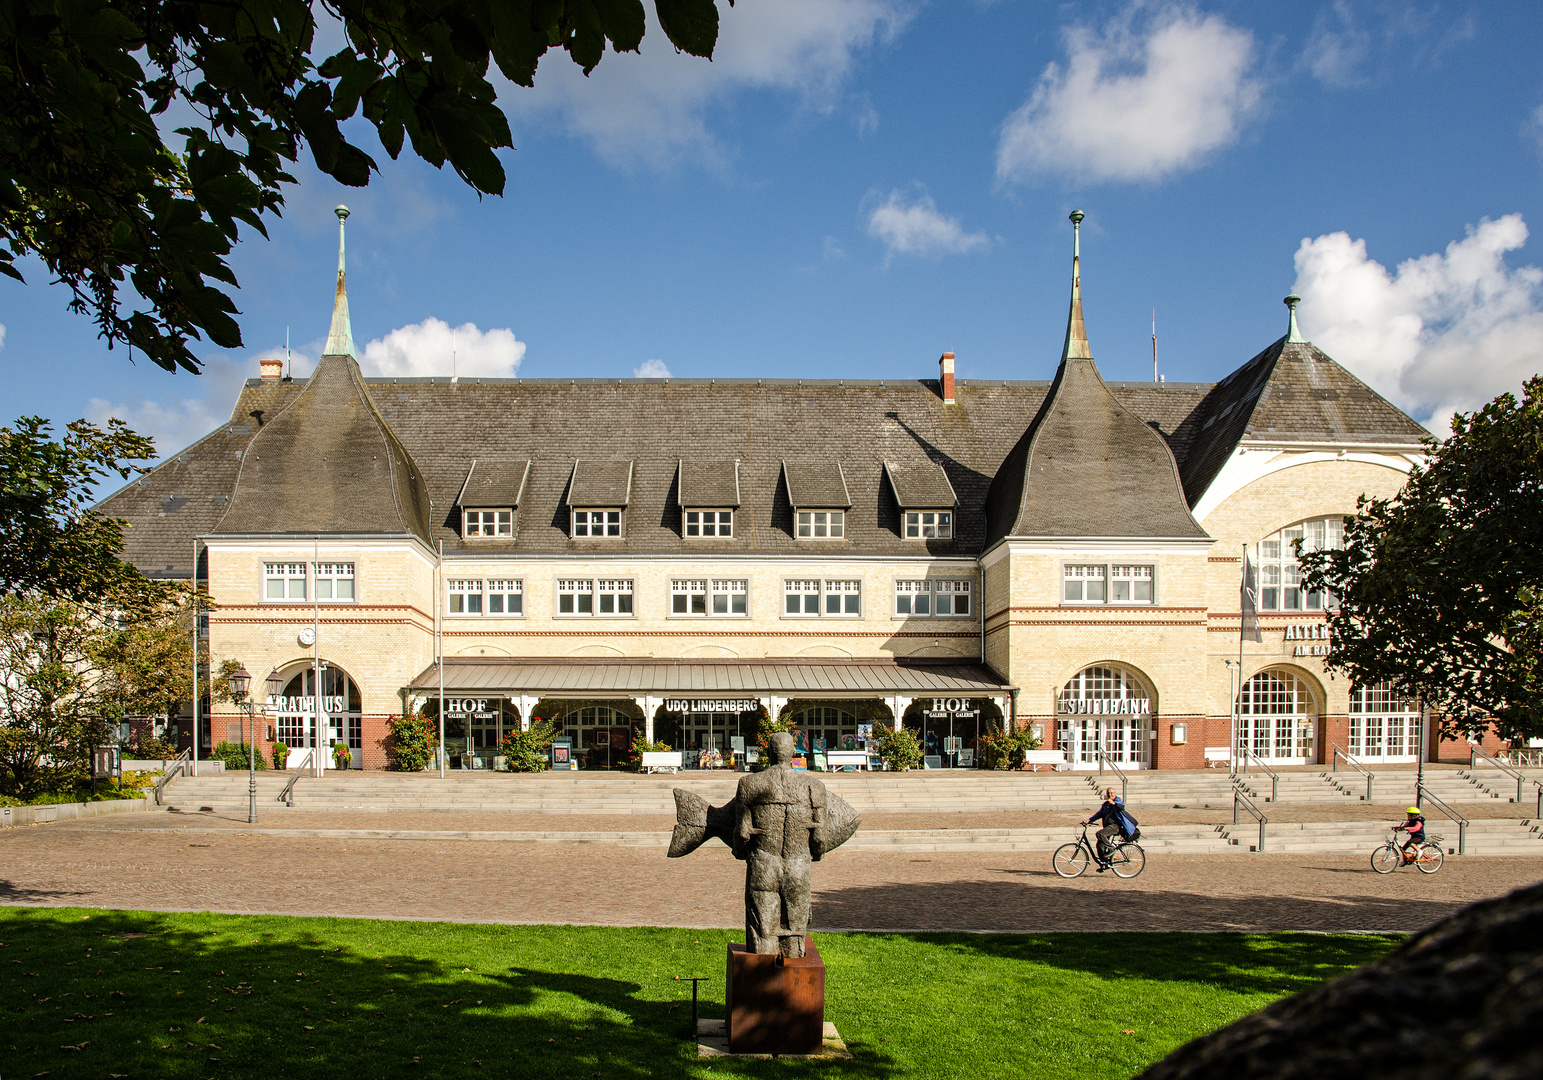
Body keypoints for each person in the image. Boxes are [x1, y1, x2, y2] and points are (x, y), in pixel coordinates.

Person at [1083, 788, 1131, 870]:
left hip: (1115, 826)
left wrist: (1114, 803)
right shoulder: (1105, 804)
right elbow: (1099, 814)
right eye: (1108, 793)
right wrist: (1089, 820)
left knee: (1099, 834)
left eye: (1112, 793)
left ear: (1115, 793)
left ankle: (1111, 848)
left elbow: (1122, 807)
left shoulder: (1117, 800)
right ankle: (1104, 863)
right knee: (1099, 845)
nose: (1110, 794)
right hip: (1107, 827)